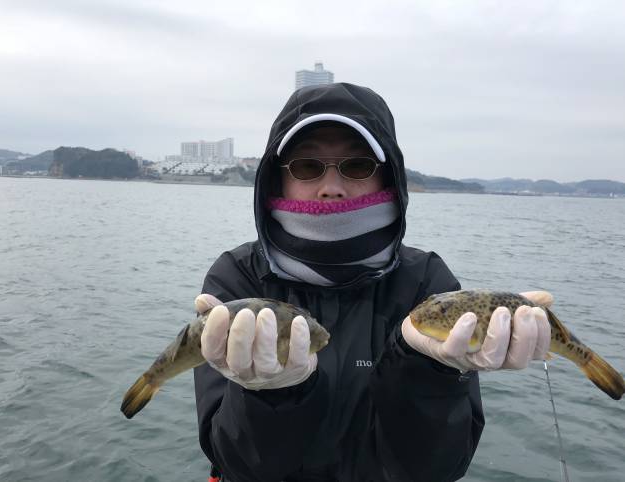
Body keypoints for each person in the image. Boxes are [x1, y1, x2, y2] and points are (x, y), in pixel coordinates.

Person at [193, 83, 552, 482]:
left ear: (387, 178)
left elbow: (435, 470)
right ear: (278, 180)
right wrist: (269, 394)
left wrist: (430, 373)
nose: (331, 188)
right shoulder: (238, 276)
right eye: (307, 167)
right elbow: (237, 464)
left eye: (358, 166)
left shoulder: (427, 280)